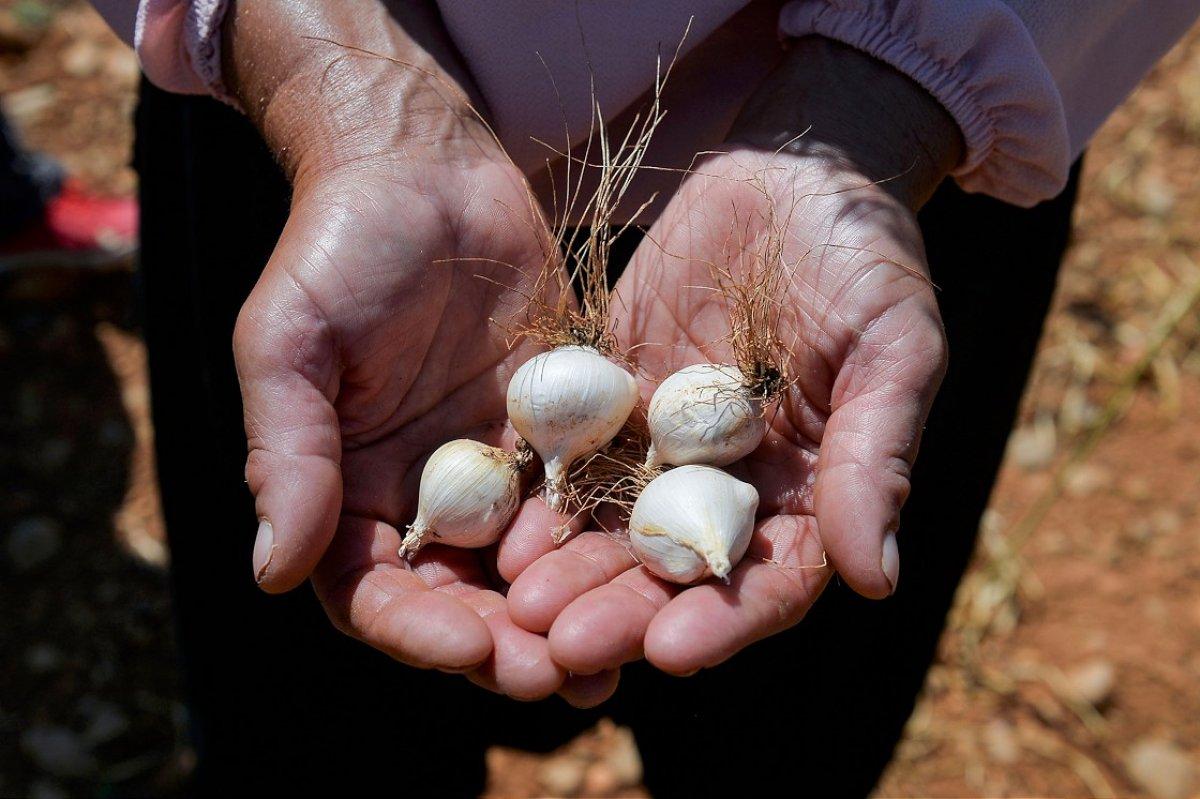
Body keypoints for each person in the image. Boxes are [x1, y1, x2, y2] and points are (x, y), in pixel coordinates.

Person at [93, 1, 1197, 795]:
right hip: (318, 147)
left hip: (901, 157)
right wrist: (310, 56)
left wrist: (894, 93)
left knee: (785, 734)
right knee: (318, 739)